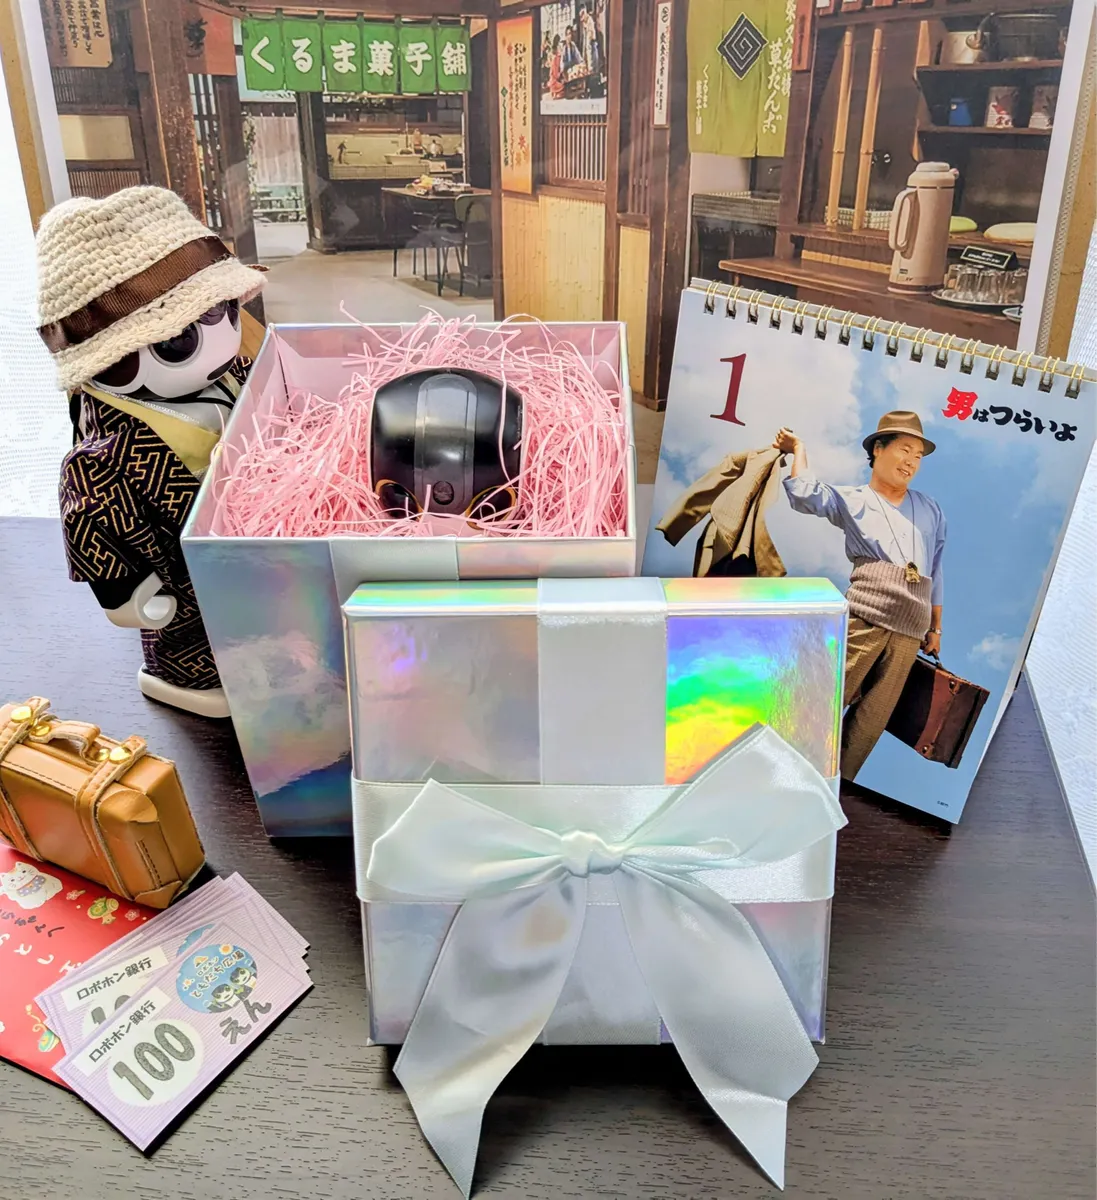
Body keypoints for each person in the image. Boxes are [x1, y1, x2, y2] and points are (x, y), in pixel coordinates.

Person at [774, 411, 946, 781]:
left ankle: (834, 792)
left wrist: (936, 629)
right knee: (824, 702)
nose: (912, 462)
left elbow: (936, 569)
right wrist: (798, 448)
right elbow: (803, 494)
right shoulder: (853, 499)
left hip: (910, 632)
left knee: (871, 723)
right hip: (864, 618)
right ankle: (782, 776)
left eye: (918, 455)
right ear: (878, 449)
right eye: (905, 450)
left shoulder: (930, 508)